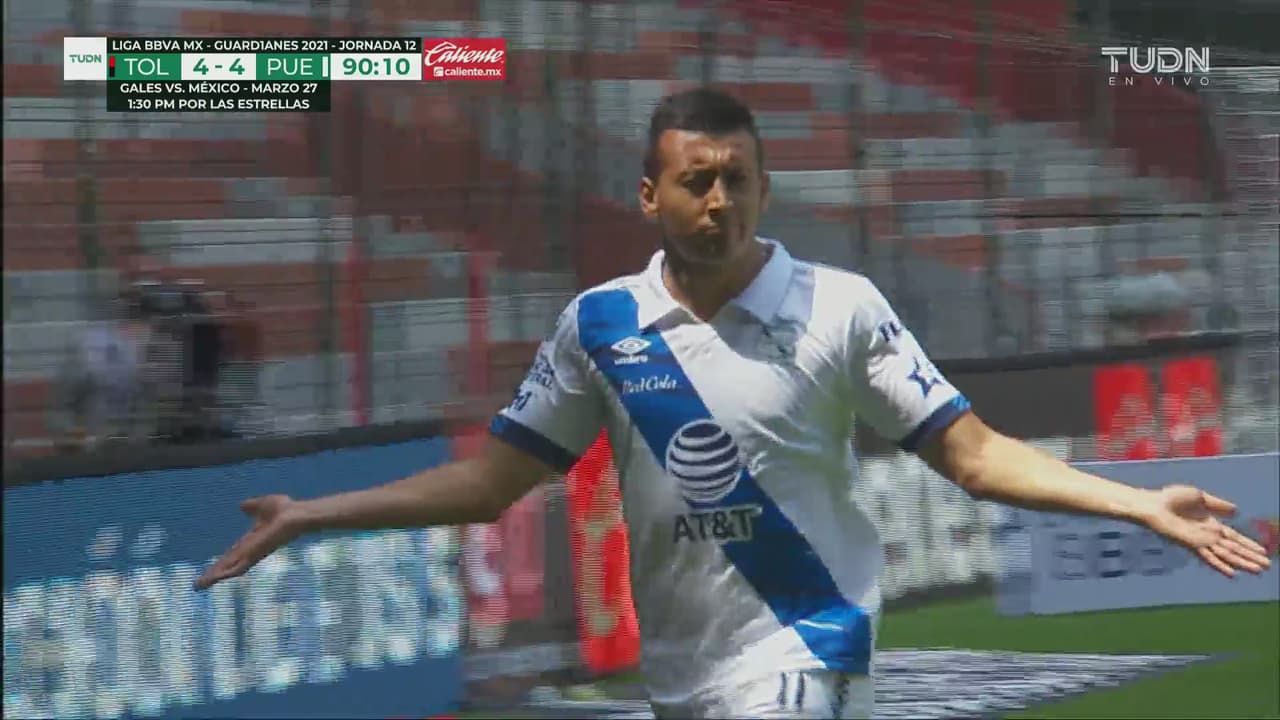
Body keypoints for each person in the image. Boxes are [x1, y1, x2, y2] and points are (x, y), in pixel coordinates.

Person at [193, 88, 1271, 719]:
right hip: (680, 675)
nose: (719, 200)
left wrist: (1139, 503)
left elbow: (975, 455)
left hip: (805, 650)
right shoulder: (599, 325)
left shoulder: (838, 308)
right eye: (696, 180)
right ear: (649, 195)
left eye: (737, 180)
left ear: (763, 188)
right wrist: (312, 515)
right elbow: (488, 486)